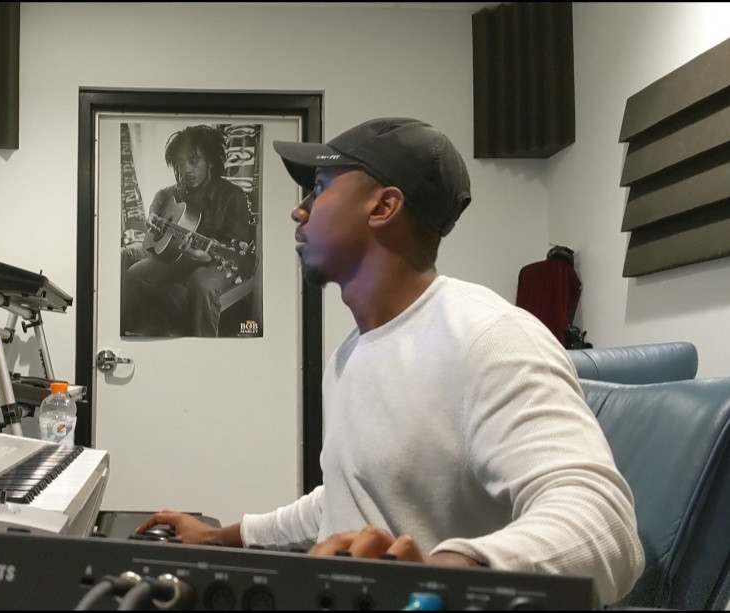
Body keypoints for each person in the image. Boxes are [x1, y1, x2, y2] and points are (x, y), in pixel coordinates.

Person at [135, 117, 644, 605]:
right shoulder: (350, 354)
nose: (299, 210)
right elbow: (348, 495)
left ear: (383, 207)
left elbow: (604, 527)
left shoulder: (491, 337)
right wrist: (223, 537)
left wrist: (442, 577)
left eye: (319, 188)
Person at [122, 124, 254, 337]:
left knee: (201, 284)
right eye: (181, 162)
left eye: (194, 161)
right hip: (181, 256)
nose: (186, 170)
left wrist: (205, 255)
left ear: (210, 161)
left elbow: (237, 250)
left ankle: (202, 348)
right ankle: (140, 334)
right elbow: (161, 196)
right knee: (135, 273)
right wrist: (153, 215)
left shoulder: (233, 195)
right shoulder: (178, 191)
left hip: (218, 260)